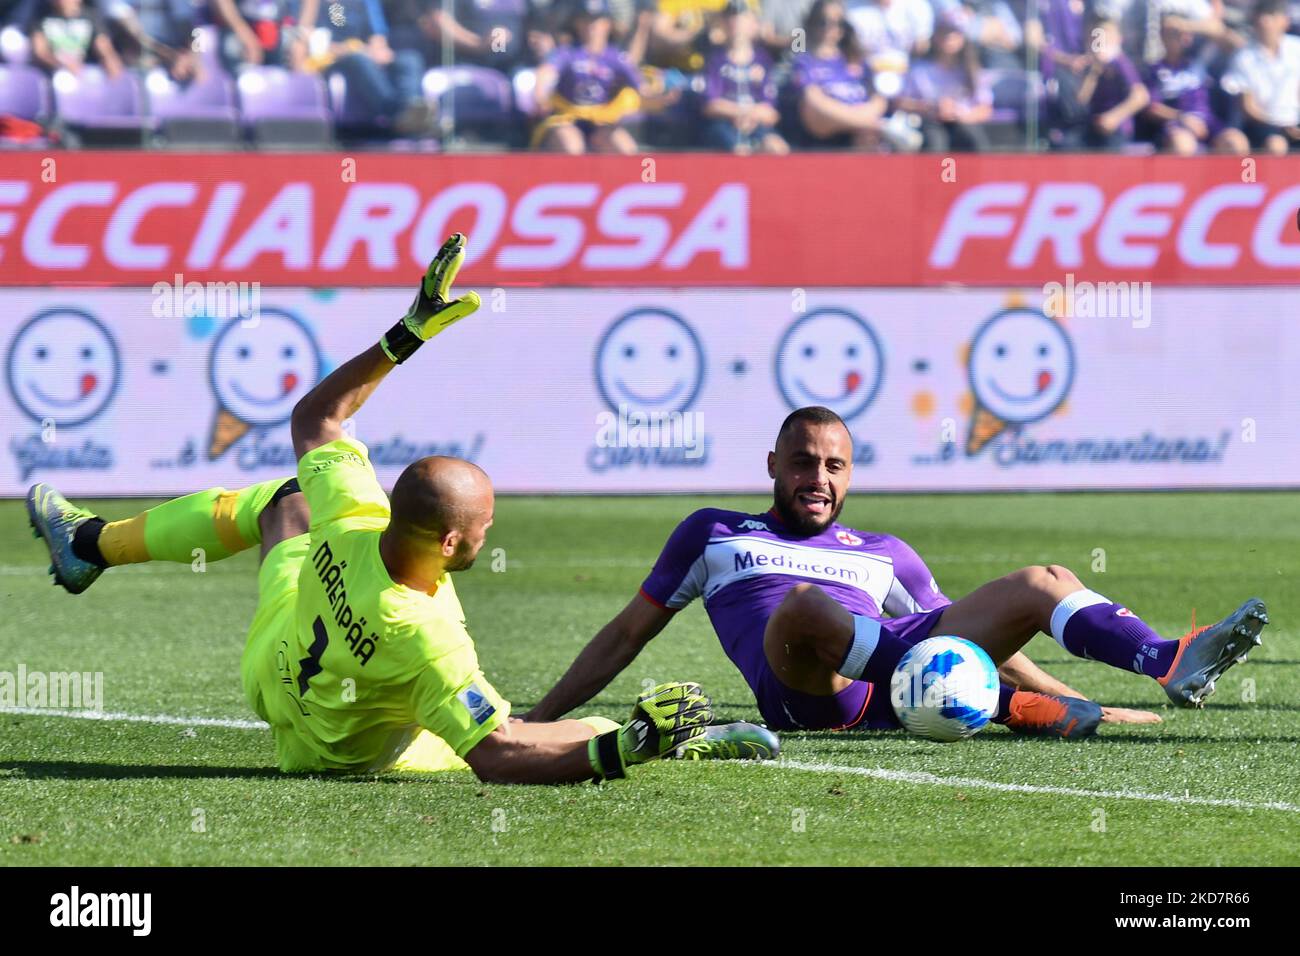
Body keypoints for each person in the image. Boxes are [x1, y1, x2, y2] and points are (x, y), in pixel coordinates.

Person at [26, 234, 749, 784]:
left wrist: (407, 333)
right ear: (452, 541)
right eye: (484, 526)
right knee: (529, 731)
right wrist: (623, 747)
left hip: (273, 657)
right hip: (331, 752)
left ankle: (91, 544)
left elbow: (316, 419)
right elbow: (498, 755)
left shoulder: (354, 513)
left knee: (285, 500)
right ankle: (670, 742)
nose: (492, 531)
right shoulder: (429, 639)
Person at [524, 406, 1268, 739]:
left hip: (898, 669)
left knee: (1043, 578)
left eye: (834, 465)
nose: (818, 476)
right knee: (805, 609)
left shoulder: (883, 550)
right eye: (804, 463)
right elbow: (626, 634)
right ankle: (1008, 713)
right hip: (808, 689)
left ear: (850, 476)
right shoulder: (713, 534)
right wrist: (539, 719)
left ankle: (1162, 658)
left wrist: (1085, 704)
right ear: (773, 467)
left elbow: (978, 648)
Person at [531, 0, 660, 153]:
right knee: (572, 146)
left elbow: (641, 90)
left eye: (597, 19)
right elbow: (546, 71)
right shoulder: (566, 53)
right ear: (576, 23)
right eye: (585, 19)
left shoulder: (617, 58)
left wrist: (662, 100)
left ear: (608, 23)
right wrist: (540, 93)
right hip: (566, 118)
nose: (591, 25)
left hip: (601, 121)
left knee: (625, 148)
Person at [1142, 14, 1249, 152]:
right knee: (1183, 144)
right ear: (1162, 36)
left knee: (1236, 142)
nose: (1182, 38)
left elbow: (1233, 41)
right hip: (1177, 125)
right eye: (1175, 34)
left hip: (1208, 123)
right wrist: (1182, 117)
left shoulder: (1200, 61)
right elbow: (1152, 109)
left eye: (1186, 34)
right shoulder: (1155, 70)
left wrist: (1186, 25)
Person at [790, 0, 888, 148]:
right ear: (813, 23)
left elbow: (879, 99)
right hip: (826, 137)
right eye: (824, 22)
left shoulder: (856, 59)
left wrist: (863, 119)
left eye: (838, 23)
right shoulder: (805, 61)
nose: (831, 28)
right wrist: (859, 121)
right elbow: (813, 103)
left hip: (863, 136)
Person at [897, 10, 993, 151]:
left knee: (973, 139)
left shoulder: (972, 70)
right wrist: (930, 107)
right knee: (935, 143)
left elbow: (985, 108)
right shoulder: (919, 70)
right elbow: (900, 102)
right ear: (935, 36)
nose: (949, 38)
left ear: (963, 38)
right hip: (929, 122)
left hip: (962, 122)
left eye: (955, 33)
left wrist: (961, 115)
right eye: (945, 33)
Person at [700, 0, 788, 152]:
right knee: (739, 150)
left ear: (754, 23)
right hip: (724, 126)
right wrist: (742, 113)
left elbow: (771, 113)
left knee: (777, 147)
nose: (736, 21)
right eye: (731, 17)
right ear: (723, 22)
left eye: (743, 16)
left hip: (757, 125)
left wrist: (749, 116)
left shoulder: (764, 61)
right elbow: (711, 105)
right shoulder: (714, 61)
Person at [1220, 0, 1300, 154]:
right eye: (1263, 16)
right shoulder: (1243, 57)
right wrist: (1280, 125)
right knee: (1276, 144)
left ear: (1284, 20)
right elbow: (1248, 107)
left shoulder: (1297, 49)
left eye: (1272, 15)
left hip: (1294, 123)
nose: (1266, 22)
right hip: (1262, 126)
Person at [28, 0, 122, 76]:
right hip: (52, 75)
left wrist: (109, 58)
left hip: (83, 75)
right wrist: (61, 64)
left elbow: (103, 45)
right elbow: (40, 52)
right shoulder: (41, 16)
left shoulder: (91, 17)